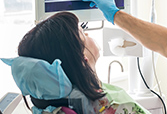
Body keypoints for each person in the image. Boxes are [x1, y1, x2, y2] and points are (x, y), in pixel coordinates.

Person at [1, 12, 150, 114]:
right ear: (82, 57)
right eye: (83, 34)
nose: (88, 34)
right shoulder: (116, 106)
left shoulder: (50, 107)